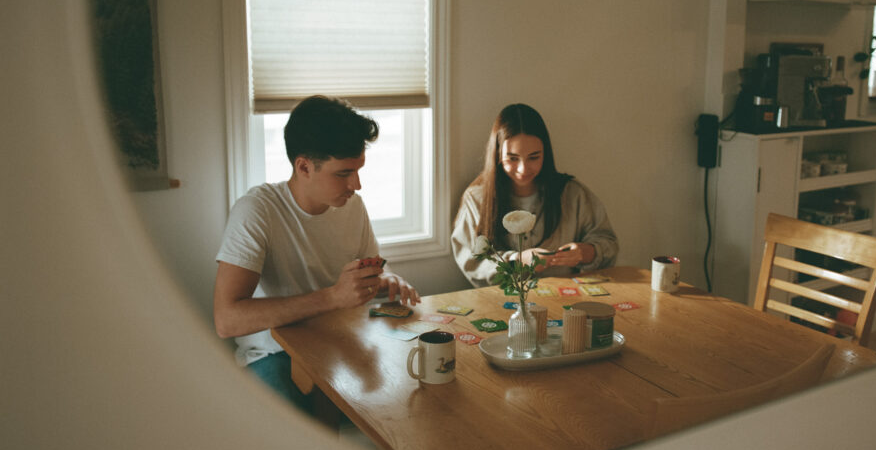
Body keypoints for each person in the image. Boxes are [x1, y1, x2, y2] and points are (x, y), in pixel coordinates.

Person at [214, 95, 420, 414]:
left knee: (412, 395)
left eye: (358, 170)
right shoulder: (257, 210)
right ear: (304, 166)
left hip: (340, 340)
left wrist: (385, 281)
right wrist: (331, 298)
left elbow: (363, 280)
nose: (357, 184)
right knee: (303, 433)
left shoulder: (351, 205)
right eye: (343, 173)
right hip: (273, 354)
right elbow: (227, 320)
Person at [451, 103, 618, 287]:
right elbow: (471, 262)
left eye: (534, 157)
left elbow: (608, 242)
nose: (523, 169)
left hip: (566, 299)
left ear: (545, 154)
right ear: (498, 154)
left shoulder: (572, 194)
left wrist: (586, 252)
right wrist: (517, 261)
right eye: (512, 158)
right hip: (502, 302)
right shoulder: (477, 198)